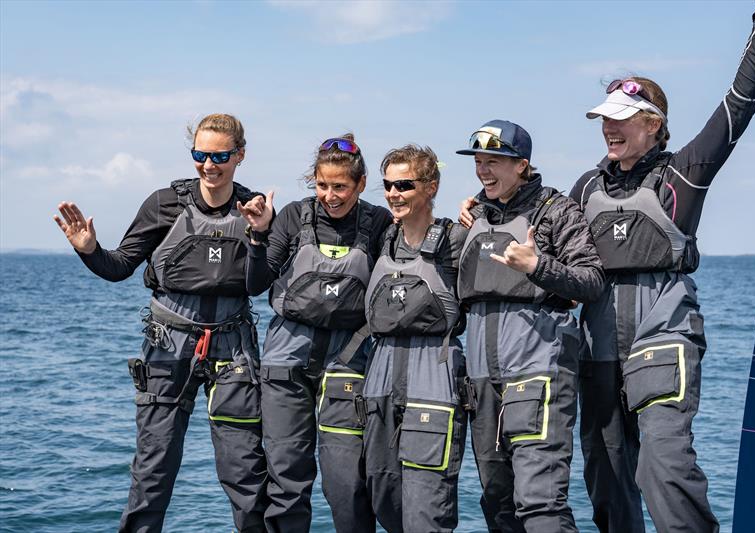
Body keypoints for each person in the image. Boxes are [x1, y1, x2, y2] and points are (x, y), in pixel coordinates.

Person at [569, 1, 755, 532]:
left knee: (663, 471)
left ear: (654, 124)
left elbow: (740, 103)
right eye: (605, 120)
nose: (609, 130)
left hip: (662, 335)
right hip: (598, 344)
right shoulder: (583, 188)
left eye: (621, 120)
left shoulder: (682, 174)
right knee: (606, 478)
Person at [53, 113, 269, 532]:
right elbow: (118, 267)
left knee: (245, 474)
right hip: (168, 347)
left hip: (234, 350)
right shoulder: (164, 204)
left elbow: (260, 283)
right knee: (153, 473)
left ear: (240, 155)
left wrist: (260, 236)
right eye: (200, 155)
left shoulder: (254, 209)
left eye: (220, 155)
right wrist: (89, 249)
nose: (209, 165)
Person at [455, 120, 604, 532]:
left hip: (538, 375)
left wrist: (538, 266)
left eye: (494, 162)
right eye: (479, 162)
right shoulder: (474, 217)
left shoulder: (556, 211)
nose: (484, 171)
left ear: (521, 165)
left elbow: (591, 281)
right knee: (497, 502)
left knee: (540, 504)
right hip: (482, 381)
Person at [241, 134, 393, 532]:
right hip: (285, 365)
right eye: (322, 185)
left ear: (360, 185)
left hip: (349, 364)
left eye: (340, 186)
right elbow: (256, 283)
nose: (330, 195)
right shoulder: (293, 216)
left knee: (347, 483)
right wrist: (257, 236)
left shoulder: (378, 222)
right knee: (286, 479)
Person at [361, 144, 468, 532]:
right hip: (381, 377)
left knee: (427, 508)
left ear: (431, 187)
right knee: (384, 498)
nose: (393, 193)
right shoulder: (380, 238)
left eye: (404, 184)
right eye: (388, 185)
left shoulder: (457, 241)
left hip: (433, 377)